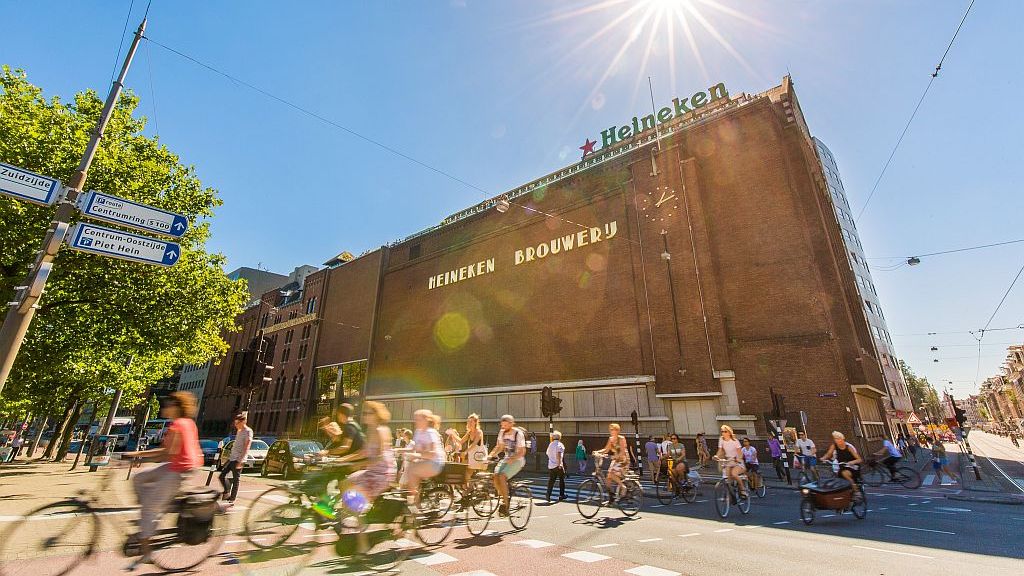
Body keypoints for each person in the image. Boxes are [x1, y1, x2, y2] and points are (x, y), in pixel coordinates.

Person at [124, 391, 203, 566]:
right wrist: (140, 457)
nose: (165, 407)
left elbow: (166, 453)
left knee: (149, 509)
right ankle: (155, 513)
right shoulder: (186, 423)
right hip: (177, 466)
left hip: (180, 470)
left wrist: (137, 454)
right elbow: (168, 454)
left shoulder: (180, 425)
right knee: (139, 478)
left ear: (177, 407)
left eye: (168, 405)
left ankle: (146, 551)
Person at [399, 409, 445, 502]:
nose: (415, 421)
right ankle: (416, 499)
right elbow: (413, 449)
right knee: (409, 473)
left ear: (425, 420)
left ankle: (413, 497)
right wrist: (399, 450)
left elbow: (432, 454)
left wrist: (416, 456)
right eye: (415, 419)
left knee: (411, 469)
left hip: (435, 463)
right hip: (424, 462)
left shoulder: (431, 433)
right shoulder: (418, 432)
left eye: (418, 419)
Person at [488, 415, 527, 516]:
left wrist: (513, 458)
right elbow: (500, 447)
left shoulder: (518, 434)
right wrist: (490, 455)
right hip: (507, 459)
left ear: (511, 424)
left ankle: (506, 504)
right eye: (502, 425)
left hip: (518, 460)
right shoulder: (502, 432)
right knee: (495, 476)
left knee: (502, 476)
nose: (504, 427)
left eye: (506, 425)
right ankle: (504, 497)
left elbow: (522, 451)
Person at [218, 413, 252, 503]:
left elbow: (247, 446)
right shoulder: (239, 431)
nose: (236, 425)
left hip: (239, 459)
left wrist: (241, 460)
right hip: (232, 458)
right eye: (235, 423)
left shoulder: (248, 431)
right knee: (221, 476)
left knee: (236, 479)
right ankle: (227, 492)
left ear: (243, 422)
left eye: (237, 423)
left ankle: (232, 499)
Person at [595, 423, 630, 503]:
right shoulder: (611, 439)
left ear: (617, 431)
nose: (611, 431)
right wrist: (597, 452)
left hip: (623, 460)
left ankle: (623, 486)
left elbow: (622, 451)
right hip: (616, 460)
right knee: (608, 478)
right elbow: (606, 450)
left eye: (613, 429)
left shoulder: (621, 438)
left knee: (611, 474)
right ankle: (612, 497)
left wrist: (615, 456)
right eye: (610, 429)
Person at [714, 425, 746, 496]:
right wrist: (716, 456)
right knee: (727, 478)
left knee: (734, 474)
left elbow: (740, 453)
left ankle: (743, 489)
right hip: (729, 461)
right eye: (722, 431)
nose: (723, 433)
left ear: (729, 432)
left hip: (737, 461)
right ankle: (730, 494)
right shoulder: (721, 439)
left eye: (725, 431)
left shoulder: (735, 441)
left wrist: (738, 458)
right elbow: (720, 450)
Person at [545, 430, 566, 501]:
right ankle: (561, 495)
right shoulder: (560, 445)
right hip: (558, 465)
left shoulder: (550, 445)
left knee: (551, 481)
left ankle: (548, 495)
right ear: (560, 438)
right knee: (561, 480)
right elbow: (559, 454)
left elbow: (547, 453)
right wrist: (560, 464)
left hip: (551, 465)